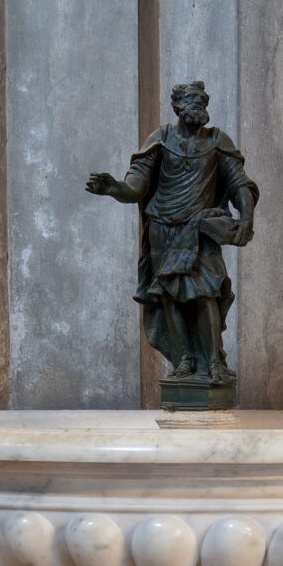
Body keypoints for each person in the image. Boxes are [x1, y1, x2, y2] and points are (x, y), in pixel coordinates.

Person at [86, 81, 258, 385]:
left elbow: (239, 183)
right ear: (177, 107)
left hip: (199, 229)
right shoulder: (161, 139)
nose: (198, 108)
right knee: (170, 298)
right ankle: (184, 360)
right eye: (192, 102)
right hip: (162, 229)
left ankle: (214, 362)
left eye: (202, 102)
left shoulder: (217, 142)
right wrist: (114, 188)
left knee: (205, 294)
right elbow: (136, 186)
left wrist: (246, 218)